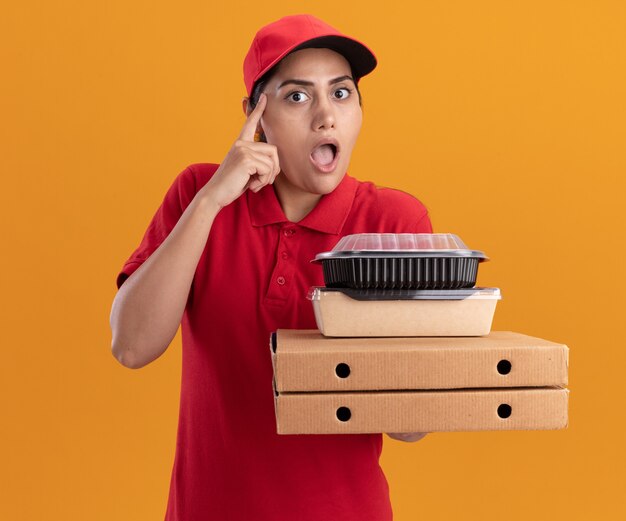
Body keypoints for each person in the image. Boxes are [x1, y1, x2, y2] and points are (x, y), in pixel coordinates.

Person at [110, 14, 431, 521]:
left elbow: (410, 426)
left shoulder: (394, 222)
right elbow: (131, 345)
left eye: (341, 94)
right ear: (255, 116)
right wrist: (213, 200)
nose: (326, 117)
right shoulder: (198, 195)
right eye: (297, 97)